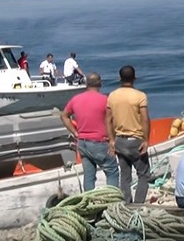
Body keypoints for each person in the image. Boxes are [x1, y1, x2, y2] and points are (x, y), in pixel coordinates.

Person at [60, 72, 119, 191]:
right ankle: (112, 201)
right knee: (112, 171)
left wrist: (75, 132)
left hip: (82, 142)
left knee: (89, 176)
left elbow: (63, 116)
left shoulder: (76, 99)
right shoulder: (105, 100)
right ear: (100, 83)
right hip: (100, 142)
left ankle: (89, 203)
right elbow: (111, 122)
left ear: (86, 84)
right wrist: (113, 141)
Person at [106, 65, 151, 203]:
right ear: (134, 78)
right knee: (143, 175)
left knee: (125, 177)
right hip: (135, 140)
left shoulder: (112, 96)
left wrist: (111, 140)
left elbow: (108, 120)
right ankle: (138, 205)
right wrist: (146, 140)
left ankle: (126, 204)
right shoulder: (140, 96)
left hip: (119, 140)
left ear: (119, 78)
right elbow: (144, 119)